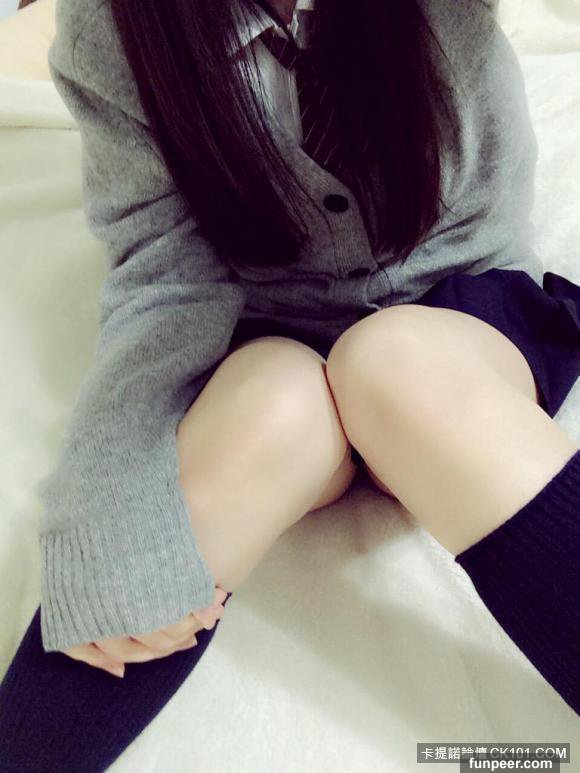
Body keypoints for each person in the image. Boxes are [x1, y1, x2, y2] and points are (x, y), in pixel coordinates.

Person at [1, 0, 579, 768]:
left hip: (461, 303)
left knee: (393, 364)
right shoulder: (111, 27)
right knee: (269, 413)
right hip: (267, 327)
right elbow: (162, 277)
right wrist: (107, 498)